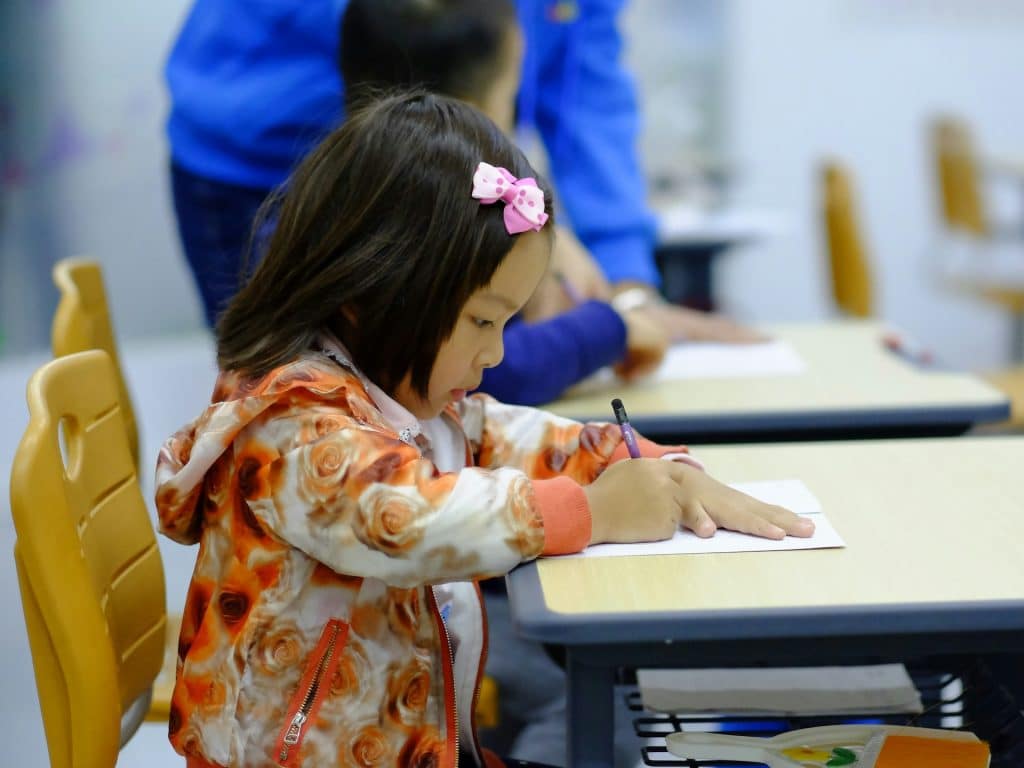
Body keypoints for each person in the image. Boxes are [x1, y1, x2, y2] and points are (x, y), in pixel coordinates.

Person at [155, 92, 813, 768]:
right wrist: (589, 511)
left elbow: (500, 434)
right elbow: (405, 518)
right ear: (372, 291)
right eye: (482, 322)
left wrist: (637, 460)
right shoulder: (292, 426)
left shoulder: (400, 397)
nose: (496, 354)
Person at [166, 0, 757, 343]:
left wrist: (626, 285)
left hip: (433, 151)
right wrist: (608, 328)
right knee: (315, 406)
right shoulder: (416, 68)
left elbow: (583, 81)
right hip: (279, 162)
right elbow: (468, 379)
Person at [339, 0, 666, 405]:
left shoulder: (338, 194)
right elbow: (491, 375)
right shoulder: (418, 227)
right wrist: (613, 328)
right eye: (510, 99)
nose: (491, 352)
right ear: (472, 114)